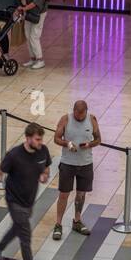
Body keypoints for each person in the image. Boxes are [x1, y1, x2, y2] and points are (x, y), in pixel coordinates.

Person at [0, 122, 51, 260]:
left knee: (18, 227)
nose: (40, 142)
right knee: (25, 235)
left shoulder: (43, 150)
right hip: (14, 200)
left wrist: (45, 175)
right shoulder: (14, 155)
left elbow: (46, 167)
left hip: (29, 200)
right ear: (28, 138)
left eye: (41, 139)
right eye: (37, 139)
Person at [51, 100, 101, 240]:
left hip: (85, 164)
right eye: (77, 115)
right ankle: (58, 224)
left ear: (86, 111)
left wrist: (89, 144)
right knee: (64, 194)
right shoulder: (65, 119)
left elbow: (98, 139)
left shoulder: (92, 120)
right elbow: (56, 138)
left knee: (81, 194)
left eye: (82, 115)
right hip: (68, 163)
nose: (79, 117)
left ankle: (77, 221)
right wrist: (67, 143)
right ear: (73, 111)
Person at [20, 0, 49, 69]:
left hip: (39, 13)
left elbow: (36, 3)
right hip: (29, 12)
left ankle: (40, 60)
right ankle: (32, 59)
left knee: (34, 36)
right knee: (28, 34)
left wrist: (24, 8)